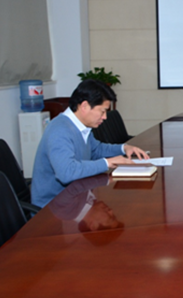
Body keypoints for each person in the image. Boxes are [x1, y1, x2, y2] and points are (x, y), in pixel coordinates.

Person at [31, 79, 149, 208]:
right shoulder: (60, 130)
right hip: (53, 208)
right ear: (84, 106)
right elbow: (67, 172)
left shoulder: (80, 126)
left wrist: (124, 148)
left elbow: (96, 149)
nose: (105, 117)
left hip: (76, 198)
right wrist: (107, 163)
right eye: (102, 111)